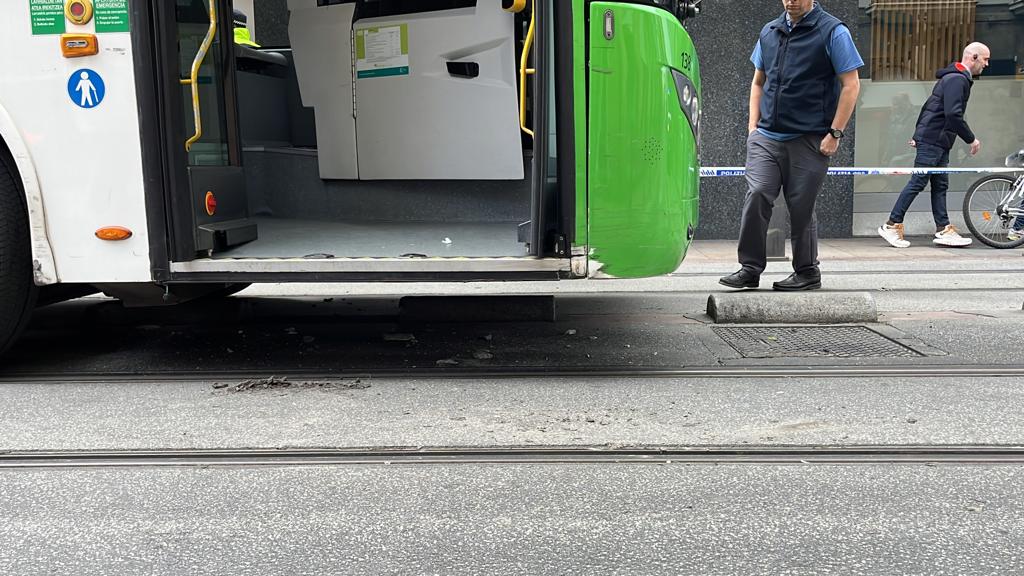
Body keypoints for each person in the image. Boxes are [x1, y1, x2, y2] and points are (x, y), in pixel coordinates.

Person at [719, 0, 863, 291]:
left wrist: (835, 133)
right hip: (767, 136)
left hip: (810, 137)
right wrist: (752, 127)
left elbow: (851, 84)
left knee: (801, 207)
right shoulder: (769, 31)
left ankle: (807, 271)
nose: (791, 0)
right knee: (758, 193)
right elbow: (758, 82)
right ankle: (750, 268)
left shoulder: (833, 31)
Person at [877, 42, 990, 249]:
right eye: (985, 59)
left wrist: (918, 134)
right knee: (918, 181)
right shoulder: (957, 79)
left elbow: (930, 106)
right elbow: (953, 114)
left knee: (939, 185)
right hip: (935, 140)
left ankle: (943, 229)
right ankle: (891, 224)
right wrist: (971, 139)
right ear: (973, 57)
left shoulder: (952, 77)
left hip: (937, 140)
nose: (987, 64)